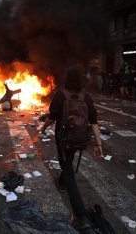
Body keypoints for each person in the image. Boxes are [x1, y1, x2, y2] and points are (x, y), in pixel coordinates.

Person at [39, 65, 103, 233]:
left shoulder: (61, 95)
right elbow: (94, 122)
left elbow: (51, 117)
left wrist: (43, 128)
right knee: (68, 162)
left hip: (63, 140)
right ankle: (61, 181)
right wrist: (98, 145)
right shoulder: (86, 97)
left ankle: (80, 216)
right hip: (80, 140)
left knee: (68, 170)